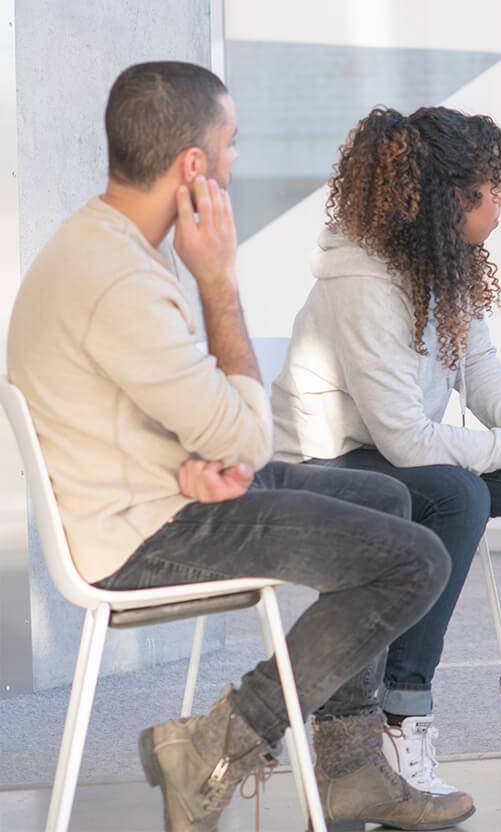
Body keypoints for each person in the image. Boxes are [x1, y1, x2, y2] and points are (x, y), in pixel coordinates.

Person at [6, 62, 475, 831]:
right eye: (229, 145)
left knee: (389, 497)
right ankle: (219, 744)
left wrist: (207, 449)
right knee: (417, 559)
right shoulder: (120, 279)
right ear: (192, 165)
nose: (233, 163)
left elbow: (196, 418)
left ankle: (350, 768)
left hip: (155, 492)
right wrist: (219, 281)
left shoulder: (100, 247)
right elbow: (249, 433)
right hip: (144, 535)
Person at [272, 106, 501, 789]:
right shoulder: (363, 284)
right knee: (458, 494)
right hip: (322, 465)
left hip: (391, 453)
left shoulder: (442, 262)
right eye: (491, 186)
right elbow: (404, 439)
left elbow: (481, 369)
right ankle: (401, 715)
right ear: (449, 199)